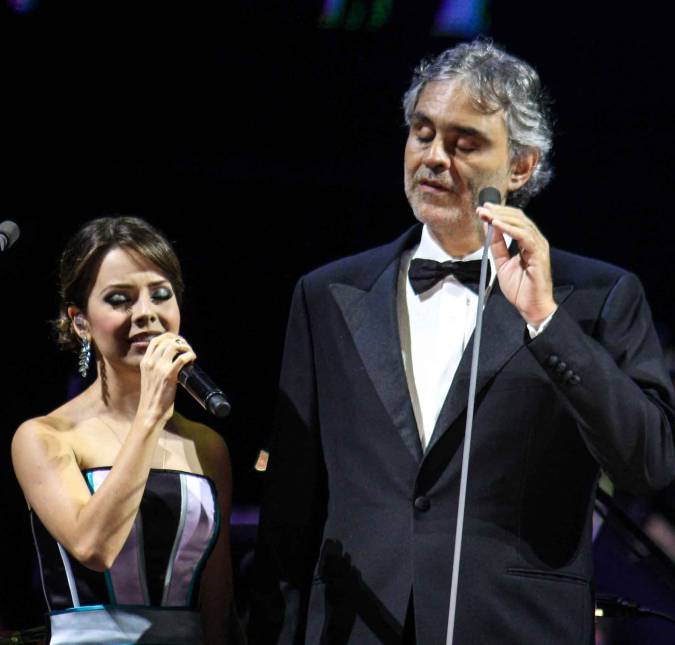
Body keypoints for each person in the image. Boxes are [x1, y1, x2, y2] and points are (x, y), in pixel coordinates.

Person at [249, 39, 675, 644]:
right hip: (353, 628)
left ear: (521, 167)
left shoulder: (597, 295)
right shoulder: (327, 295)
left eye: (464, 142)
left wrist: (546, 321)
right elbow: (291, 510)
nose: (433, 157)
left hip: (515, 627)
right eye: (422, 134)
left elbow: (648, 462)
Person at [12, 217, 238, 644]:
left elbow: (217, 593)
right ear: (80, 322)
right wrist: (150, 414)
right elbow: (93, 546)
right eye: (120, 299)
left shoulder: (207, 446)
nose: (146, 315)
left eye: (161, 295)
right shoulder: (45, 437)